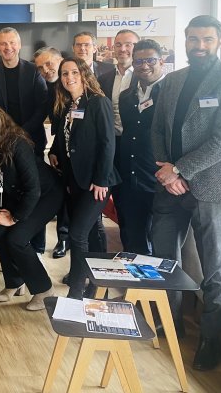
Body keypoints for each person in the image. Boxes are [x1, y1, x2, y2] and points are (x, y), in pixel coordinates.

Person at [150, 15, 221, 371]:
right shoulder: (173, 81)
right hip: (169, 186)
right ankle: (170, 321)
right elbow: (157, 131)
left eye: (206, 39)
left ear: (219, 41)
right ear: (185, 40)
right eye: (193, 39)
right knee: (163, 258)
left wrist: (180, 169)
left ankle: (211, 337)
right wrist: (167, 171)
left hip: (214, 186)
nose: (199, 46)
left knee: (214, 265)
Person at [0, 103, 63, 309]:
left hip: (45, 195)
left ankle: (44, 290)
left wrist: (14, 218)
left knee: (16, 238)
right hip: (17, 196)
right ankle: (15, 282)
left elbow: (33, 189)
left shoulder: (16, 143)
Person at [48, 57, 119, 299]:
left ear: (84, 74)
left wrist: (102, 179)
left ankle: (76, 292)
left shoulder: (98, 103)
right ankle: (98, 286)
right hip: (73, 181)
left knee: (77, 234)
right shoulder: (66, 105)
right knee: (90, 233)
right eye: (64, 73)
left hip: (96, 182)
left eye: (74, 72)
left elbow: (108, 143)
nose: (69, 77)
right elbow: (64, 139)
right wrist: (54, 153)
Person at [117, 39, 167, 255]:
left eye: (150, 60)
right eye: (139, 61)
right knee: (132, 236)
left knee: (161, 240)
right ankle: (134, 285)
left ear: (161, 62)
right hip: (129, 177)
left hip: (160, 178)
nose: (144, 65)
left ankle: (161, 288)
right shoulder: (126, 96)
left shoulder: (171, 94)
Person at [97, 29, 140, 251]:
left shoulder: (144, 76)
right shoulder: (103, 78)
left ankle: (131, 258)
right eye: (119, 44)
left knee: (129, 208)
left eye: (129, 44)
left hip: (134, 151)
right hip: (109, 147)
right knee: (96, 207)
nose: (123, 49)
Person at [0, 27, 48, 158]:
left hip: (32, 138)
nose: (8, 47)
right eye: (3, 43)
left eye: (12, 42)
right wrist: (3, 131)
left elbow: (42, 106)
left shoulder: (33, 71)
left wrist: (22, 131)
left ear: (19, 45)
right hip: (0, 139)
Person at [33, 46, 69, 260]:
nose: (46, 70)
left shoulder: (77, 85)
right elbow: (58, 126)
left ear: (61, 59)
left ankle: (66, 239)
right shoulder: (47, 91)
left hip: (82, 154)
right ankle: (63, 238)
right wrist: (54, 150)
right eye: (40, 67)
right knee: (63, 194)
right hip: (61, 150)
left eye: (49, 64)